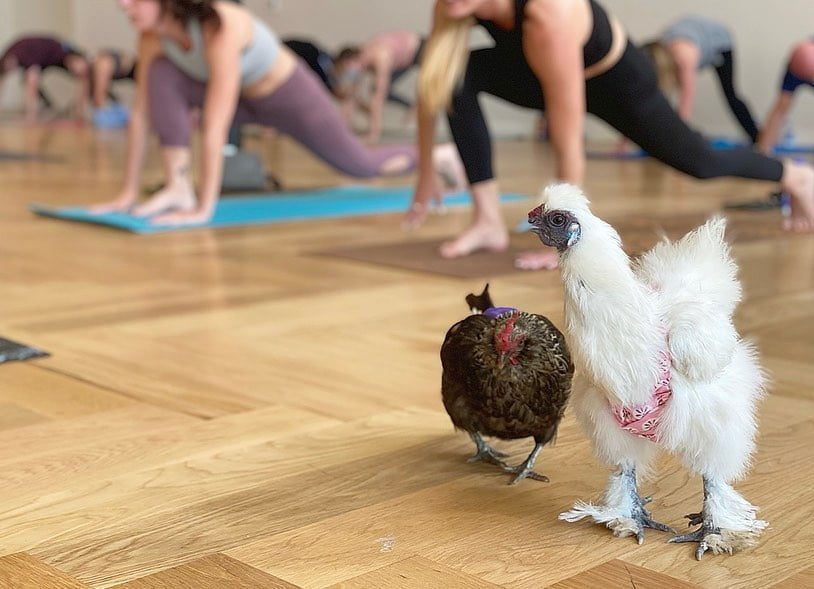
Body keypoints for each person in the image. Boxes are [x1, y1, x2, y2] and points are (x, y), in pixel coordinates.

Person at [408, 0, 814, 270]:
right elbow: (434, 81)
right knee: (455, 75)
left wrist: (564, 233)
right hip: (542, 69)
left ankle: (794, 174)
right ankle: (487, 221)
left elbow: (567, 137)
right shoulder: (453, 4)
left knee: (700, 162)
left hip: (620, 84)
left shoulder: (549, 12)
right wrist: (425, 172)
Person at [91, 0, 418, 227]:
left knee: (360, 164)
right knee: (162, 74)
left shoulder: (220, 24)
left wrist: (205, 209)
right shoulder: (151, 39)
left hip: (287, 97)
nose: (123, 5)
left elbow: (215, 128)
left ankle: (437, 158)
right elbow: (141, 115)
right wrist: (127, 192)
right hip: (242, 106)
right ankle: (177, 186)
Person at [641, 16, 759, 143]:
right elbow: (646, 100)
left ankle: (757, 137)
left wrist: (677, 141)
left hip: (719, 42)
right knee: (661, 98)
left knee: (730, 94)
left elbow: (686, 102)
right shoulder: (659, 51)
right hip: (689, 37)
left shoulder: (685, 57)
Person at [332, 31, 424, 144]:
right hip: (403, 57)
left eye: (346, 67)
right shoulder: (361, 57)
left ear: (352, 60)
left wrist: (373, 135)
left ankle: (415, 107)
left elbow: (378, 97)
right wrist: (342, 126)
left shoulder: (380, 56)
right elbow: (350, 96)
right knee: (374, 91)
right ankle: (410, 106)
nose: (348, 73)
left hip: (421, 49)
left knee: (379, 92)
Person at [0, 36, 90, 122]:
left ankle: (44, 107)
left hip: (39, 53)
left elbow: (83, 79)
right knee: (29, 80)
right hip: (29, 51)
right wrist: (30, 115)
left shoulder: (64, 52)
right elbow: (31, 82)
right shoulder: (23, 53)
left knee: (30, 80)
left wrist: (80, 112)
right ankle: (40, 109)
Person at [757, 39, 814, 155]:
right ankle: (763, 152)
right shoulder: (797, 63)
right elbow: (779, 111)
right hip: (799, 65)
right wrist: (763, 154)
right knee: (781, 106)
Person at [90, 49, 137, 127]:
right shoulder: (101, 65)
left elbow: (100, 93)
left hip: (128, 65)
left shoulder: (103, 64)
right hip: (119, 63)